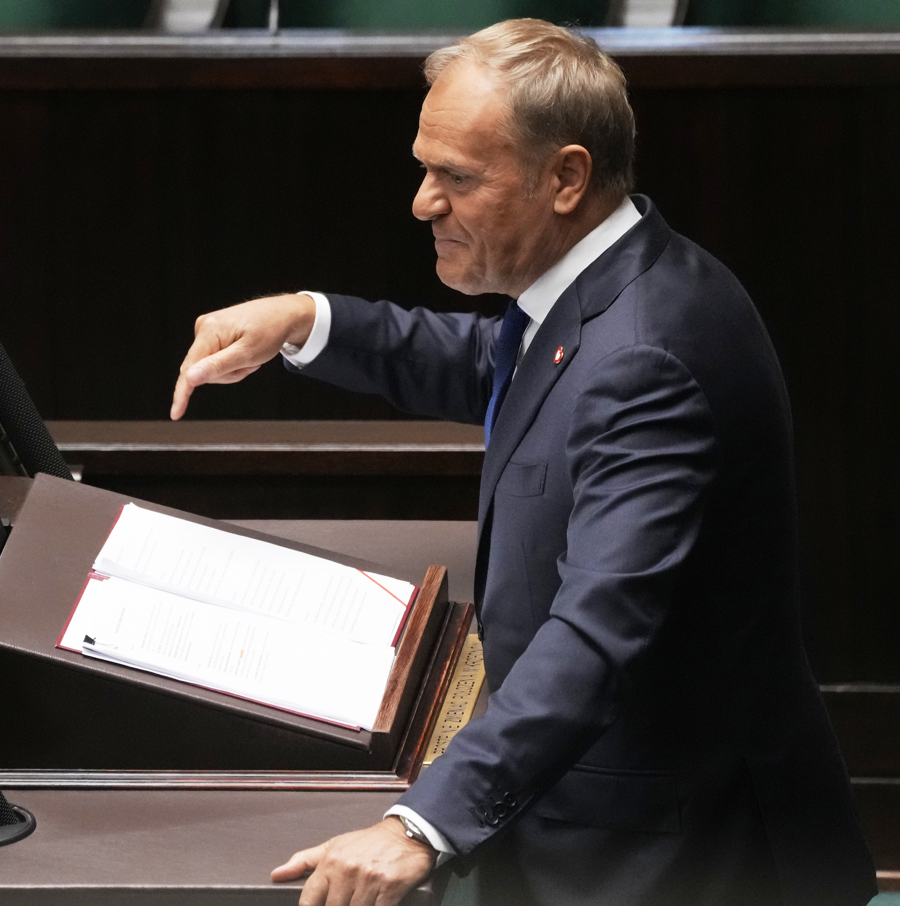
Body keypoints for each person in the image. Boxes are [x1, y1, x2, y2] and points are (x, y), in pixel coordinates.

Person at [169, 19, 876, 906]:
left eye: (457, 178)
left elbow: (598, 630)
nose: (424, 202)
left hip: (671, 854)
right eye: (425, 169)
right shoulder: (615, 279)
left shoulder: (648, 356)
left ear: (566, 177)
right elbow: (494, 364)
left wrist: (420, 824)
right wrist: (305, 319)